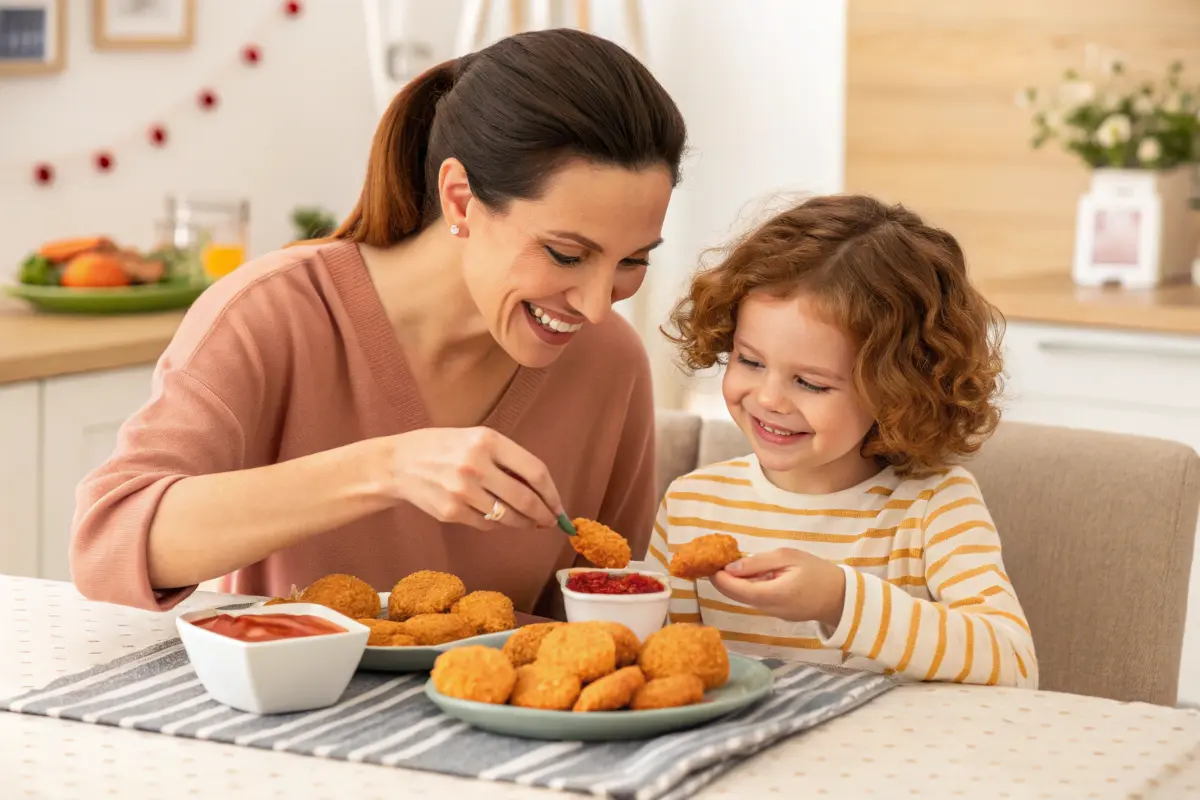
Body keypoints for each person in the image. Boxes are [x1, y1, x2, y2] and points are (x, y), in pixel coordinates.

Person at [70, 28, 687, 618]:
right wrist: (388, 468)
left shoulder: (610, 360)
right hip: (290, 716)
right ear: (460, 200)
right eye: (565, 254)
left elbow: (601, 611)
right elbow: (109, 543)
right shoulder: (272, 314)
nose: (599, 306)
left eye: (633, 261)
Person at [651, 194, 1038, 688]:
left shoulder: (933, 506)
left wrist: (841, 600)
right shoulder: (692, 505)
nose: (769, 399)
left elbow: (1014, 664)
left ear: (897, 389)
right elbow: (660, 663)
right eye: (750, 361)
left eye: (810, 383)